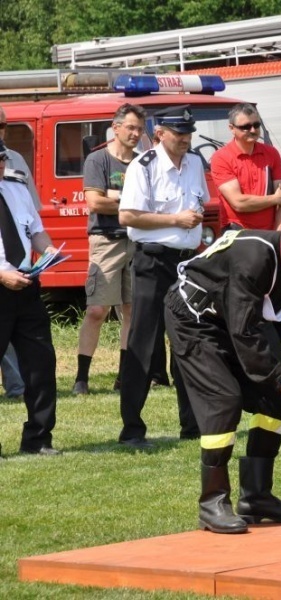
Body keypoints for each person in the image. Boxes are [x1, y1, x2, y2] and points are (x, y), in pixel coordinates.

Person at [164, 210, 281, 534]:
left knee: (273, 396)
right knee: (223, 400)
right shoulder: (253, 257)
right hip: (194, 320)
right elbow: (245, 330)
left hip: (234, 321)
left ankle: (256, 496)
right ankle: (212, 502)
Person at [117, 108, 208, 449]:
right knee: (143, 343)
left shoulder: (196, 162)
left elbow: (199, 206)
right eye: (178, 132)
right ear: (160, 133)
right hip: (153, 263)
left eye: (188, 132)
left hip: (187, 262)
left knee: (188, 343)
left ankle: (192, 423)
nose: (185, 138)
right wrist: (175, 220)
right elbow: (128, 216)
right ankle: (132, 429)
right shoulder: (144, 166)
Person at [72, 104, 146, 395]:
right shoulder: (98, 159)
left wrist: (114, 195)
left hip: (137, 241)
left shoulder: (143, 162)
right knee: (97, 310)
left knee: (131, 310)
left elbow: (148, 203)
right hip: (106, 240)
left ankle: (123, 377)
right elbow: (95, 202)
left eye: (140, 129)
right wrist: (129, 200)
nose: (136, 133)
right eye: (130, 127)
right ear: (116, 128)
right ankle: (81, 379)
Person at [0, 141, 60, 455]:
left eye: (0, 158)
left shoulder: (17, 188)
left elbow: (35, 230)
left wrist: (48, 248)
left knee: (41, 365)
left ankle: (38, 439)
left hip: (26, 287)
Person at [0, 105, 38, 397]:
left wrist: (45, 250)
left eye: (3, 126)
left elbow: (32, 219)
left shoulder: (16, 166)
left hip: (20, 277)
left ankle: (18, 386)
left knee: (35, 350)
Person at [210, 103, 281, 232]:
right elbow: (239, 203)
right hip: (237, 232)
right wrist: (274, 199)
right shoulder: (221, 157)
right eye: (246, 127)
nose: (253, 130)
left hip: (270, 232)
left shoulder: (271, 153)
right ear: (231, 128)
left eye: (256, 125)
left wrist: (278, 234)